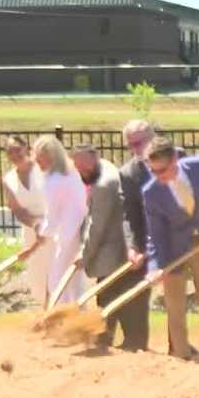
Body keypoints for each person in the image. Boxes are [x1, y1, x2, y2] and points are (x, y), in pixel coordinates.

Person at [142, 136, 199, 359]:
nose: (159, 176)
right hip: (173, 249)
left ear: (174, 159)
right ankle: (181, 356)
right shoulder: (151, 192)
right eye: (153, 171)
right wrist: (155, 266)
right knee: (175, 307)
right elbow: (155, 235)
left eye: (162, 170)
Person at [70, 144, 143, 351]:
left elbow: (96, 226)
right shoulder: (104, 166)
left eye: (82, 168)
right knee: (113, 293)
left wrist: (84, 254)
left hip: (111, 247)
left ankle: (108, 338)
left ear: (94, 159)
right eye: (77, 168)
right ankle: (114, 337)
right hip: (116, 245)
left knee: (108, 293)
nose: (80, 172)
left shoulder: (102, 185)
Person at [114, 119, 157, 350]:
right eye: (130, 145)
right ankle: (136, 341)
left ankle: (181, 346)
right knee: (133, 283)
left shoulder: (176, 159)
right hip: (146, 237)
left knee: (176, 292)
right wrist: (134, 247)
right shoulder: (128, 173)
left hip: (178, 235)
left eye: (139, 143)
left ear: (153, 138)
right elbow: (129, 215)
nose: (135, 149)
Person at [31, 135, 88, 306]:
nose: (37, 162)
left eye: (40, 158)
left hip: (68, 232)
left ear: (51, 157)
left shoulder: (53, 180)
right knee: (75, 280)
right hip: (78, 229)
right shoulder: (71, 173)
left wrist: (42, 232)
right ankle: (79, 315)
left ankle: (61, 317)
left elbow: (52, 214)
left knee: (57, 278)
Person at [1, 136, 51, 306]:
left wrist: (46, 224)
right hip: (31, 231)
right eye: (10, 152)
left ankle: (67, 316)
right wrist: (35, 224)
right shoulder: (9, 179)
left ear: (28, 149)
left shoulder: (44, 170)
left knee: (58, 274)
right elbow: (17, 209)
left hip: (55, 227)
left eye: (17, 149)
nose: (14, 154)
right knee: (38, 278)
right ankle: (47, 315)